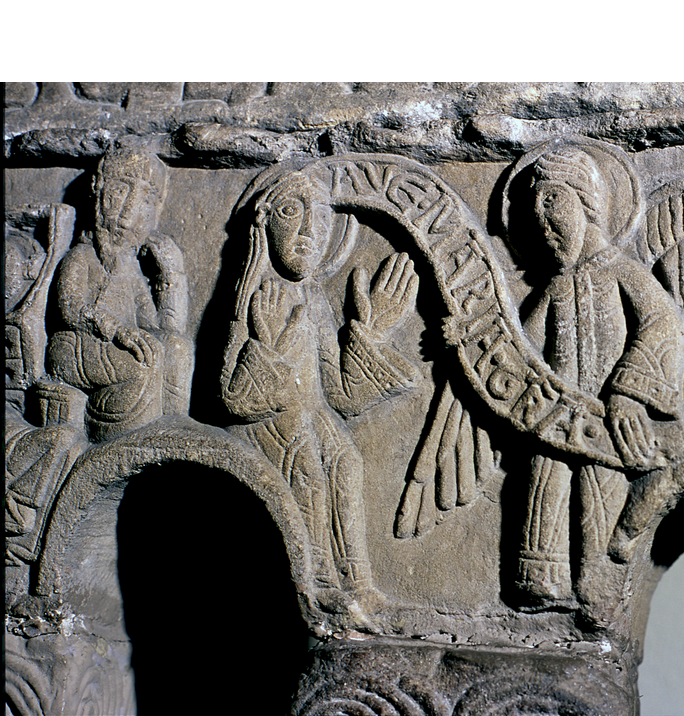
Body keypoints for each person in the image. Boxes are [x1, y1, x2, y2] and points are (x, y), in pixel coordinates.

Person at [222, 167, 419, 615]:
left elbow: (340, 394)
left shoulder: (314, 299)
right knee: (307, 462)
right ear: (265, 224)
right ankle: (317, 582)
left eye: (322, 219)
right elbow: (232, 398)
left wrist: (373, 333)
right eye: (291, 212)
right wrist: (266, 344)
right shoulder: (253, 294)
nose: (309, 230)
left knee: (345, 460)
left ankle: (358, 582)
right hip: (267, 427)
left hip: (312, 418)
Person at [517, 145, 683, 607]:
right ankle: (543, 582)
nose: (542, 220)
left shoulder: (622, 272)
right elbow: (520, 348)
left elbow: (663, 322)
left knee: (600, 513)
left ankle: (598, 590)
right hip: (553, 424)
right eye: (534, 211)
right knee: (544, 492)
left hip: (605, 428)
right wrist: (470, 338)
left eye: (552, 201)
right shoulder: (554, 287)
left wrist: (629, 393)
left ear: (587, 202)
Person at [46, 148, 192, 443]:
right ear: (98, 192)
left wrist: (171, 275)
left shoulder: (129, 268)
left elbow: (160, 328)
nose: (130, 210)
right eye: (121, 190)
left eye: (146, 199)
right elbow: (70, 307)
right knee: (142, 363)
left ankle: (172, 428)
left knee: (178, 347)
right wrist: (117, 330)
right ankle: (124, 438)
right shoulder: (82, 256)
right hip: (76, 345)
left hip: (112, 344)